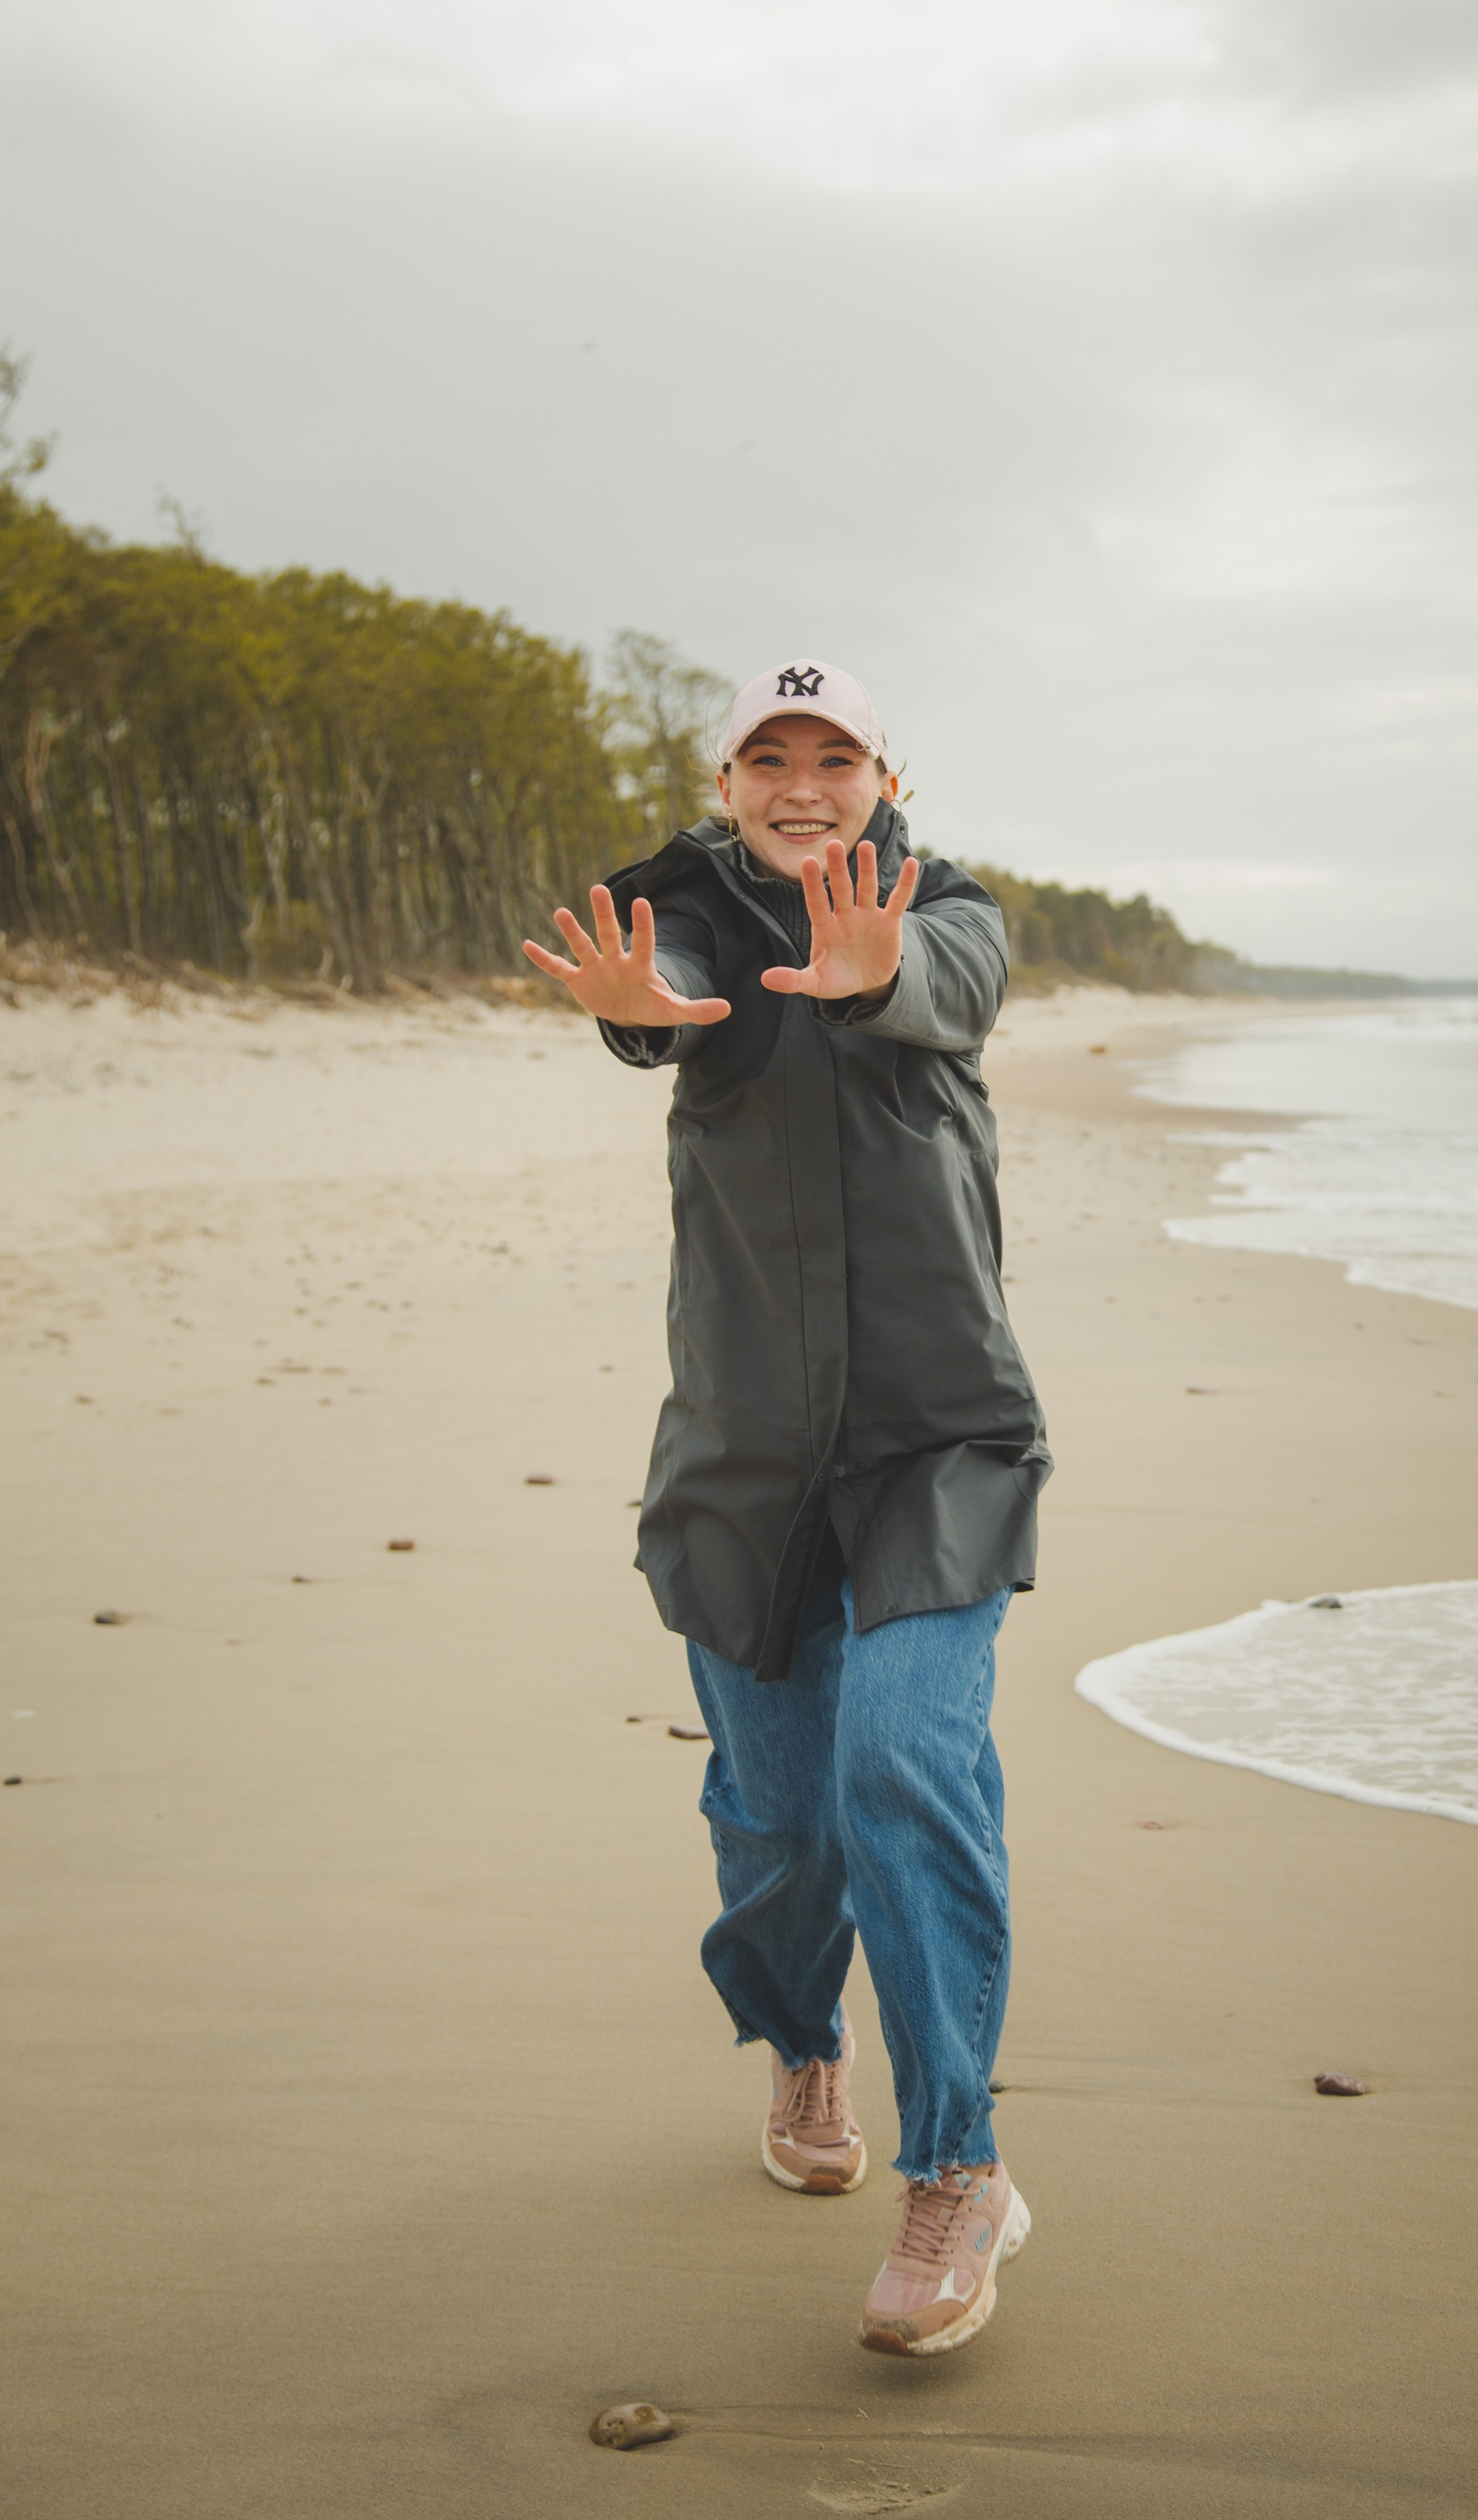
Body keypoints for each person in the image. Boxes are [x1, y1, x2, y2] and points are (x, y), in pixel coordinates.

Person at [523, 659, 1050, 2355]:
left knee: (902, 1764)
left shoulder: (948, 909)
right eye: (771, 755)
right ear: (727, 779)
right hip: (746, 1458)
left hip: (937, 1444)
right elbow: (664, 983)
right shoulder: (678, 906)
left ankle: (957, 2165)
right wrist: (650, 1004)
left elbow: (948, 980)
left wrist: (876, 970)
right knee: (781, 1828)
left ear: (887, 778)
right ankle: (801, 2041)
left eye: (837, 756)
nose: (802, 783)